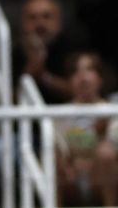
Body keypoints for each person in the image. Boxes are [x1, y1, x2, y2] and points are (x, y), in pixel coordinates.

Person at [55, 51, 118, 206]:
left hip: (101, 178)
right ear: (69, 81)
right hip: (73, 181)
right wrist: (67, 163)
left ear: (100, 78)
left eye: (89, 70)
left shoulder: (113, 110)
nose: (83, 78)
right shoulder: (58, 114)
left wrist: (101, 133)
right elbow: (58, 151)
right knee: (51, 156)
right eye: (76, 72)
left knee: (105, 153)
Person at [13, 0, 74, 103]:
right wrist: (30, 71)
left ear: (59, 21)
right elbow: (9, 101)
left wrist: (43, 76)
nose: (40, 23)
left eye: (46, 17)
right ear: (23, 23)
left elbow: (80, 92)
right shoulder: (13, 55)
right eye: (32, 18)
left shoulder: (74, 49)